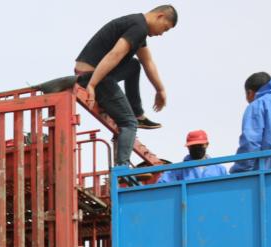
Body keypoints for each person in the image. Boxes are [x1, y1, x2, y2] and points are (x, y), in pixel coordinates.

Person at [74, 6, 178, 170]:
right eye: (164, 28)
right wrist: (92, 85)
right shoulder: (139, 27)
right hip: (92, 75)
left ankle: (138, 114)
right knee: (129, 123)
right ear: (160, 16)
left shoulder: (137, 25)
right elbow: (115, 55)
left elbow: (147, 62)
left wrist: (160, 90)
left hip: (93, 72)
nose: (161, 34)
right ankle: (122, 169)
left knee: (134, 66)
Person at [157, 130, 228, 183]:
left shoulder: (219, 169)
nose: (196, 148)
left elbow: (228, 189)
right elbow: (162, 185)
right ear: (188, 147)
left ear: (207, 144)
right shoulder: (178, 170)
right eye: (193, 146)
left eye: (200, 145)